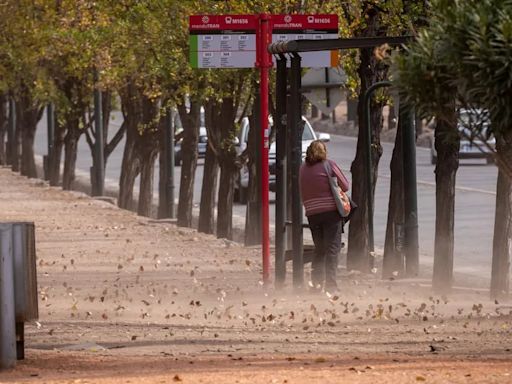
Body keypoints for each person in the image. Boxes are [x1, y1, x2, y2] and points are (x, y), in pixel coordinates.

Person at [299, 140, 349, 293]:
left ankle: (317, 284)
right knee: (332, 249)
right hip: (330, 213)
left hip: (312, 213)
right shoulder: (329, 165)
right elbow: (345, 185)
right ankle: (332, 286)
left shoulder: (302, 169)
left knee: (320, 249)